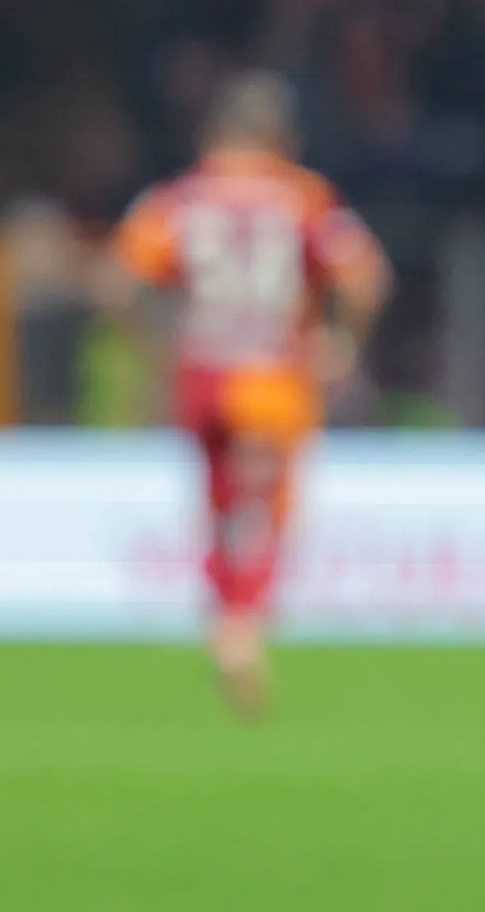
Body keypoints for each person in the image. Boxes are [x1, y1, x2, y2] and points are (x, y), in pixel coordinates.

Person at [109, 75, 387, 715]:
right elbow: (366, 278)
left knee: (215, 501)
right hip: (269, 372)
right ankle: (242, 628)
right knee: (265, 509)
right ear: (279, 138)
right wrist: (340, 342)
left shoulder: (177, 198)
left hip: (200, 366)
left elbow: (122, 280)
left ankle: (221, 617)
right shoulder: (300, 197)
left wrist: (153, 344)